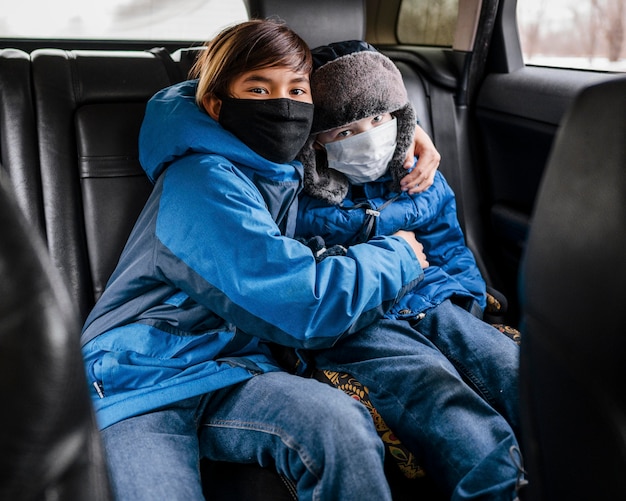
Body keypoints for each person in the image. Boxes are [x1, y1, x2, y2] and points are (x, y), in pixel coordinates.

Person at [80, 20, 439, 501]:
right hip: (140, 378)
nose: (283, 104)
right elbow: (299, 303)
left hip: (234, 368)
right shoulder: (200, 179)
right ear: (216, 106)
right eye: (258, 88)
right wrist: (398, 257)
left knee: (339, 426)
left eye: (296, 89)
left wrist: (408, 132)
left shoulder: (284, 173)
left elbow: (361, 95)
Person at [295, 40, 526, 500]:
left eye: (379, 120)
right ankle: (498, 487)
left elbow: (448, 244)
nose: (368, 136)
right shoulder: (298, 200)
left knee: (510, 366)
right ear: (312, 141)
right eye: (344, 131)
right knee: (435, 391)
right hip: (362, 320)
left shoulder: (417, 175)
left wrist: (469, 298)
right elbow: (304, 277)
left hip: (432, 299)